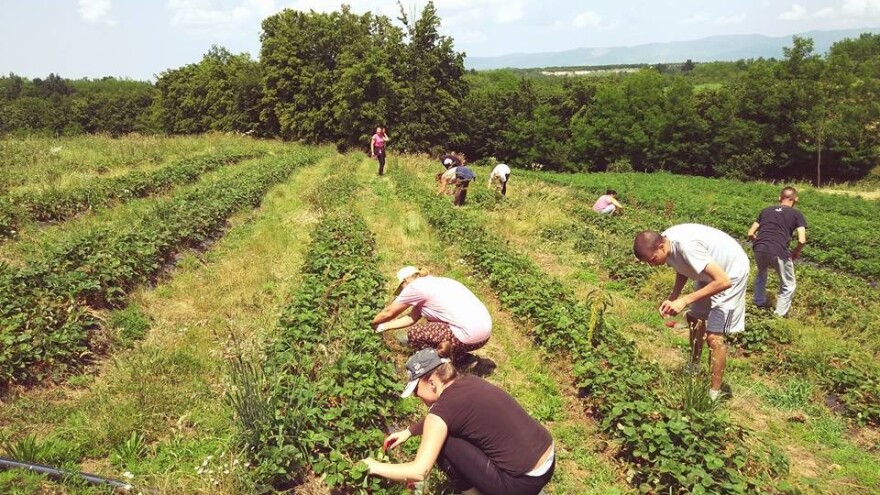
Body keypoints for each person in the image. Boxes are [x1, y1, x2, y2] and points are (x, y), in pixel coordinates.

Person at [362, 347, 555, 495]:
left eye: (415, 390)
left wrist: (373, 466)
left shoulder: (442, 411)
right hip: (546, 461)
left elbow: (419, 472)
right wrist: (409, 431)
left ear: (431, 383)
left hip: (520, 483)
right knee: (445, 434)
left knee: (443, 444)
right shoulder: (469, 381)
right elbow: (449, 417)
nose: (416, 397)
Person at [633, 224, 749, 401]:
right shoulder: (666, 243)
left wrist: (685, 300)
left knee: (714, 337)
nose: (651, 264)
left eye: (652, 259)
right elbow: (682, 267)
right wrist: (674, 297)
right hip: (707, 272)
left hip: (729, 273)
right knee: (695, 318)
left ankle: (713, 394)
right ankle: (694, 364)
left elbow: (723, 281)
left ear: (661, 247)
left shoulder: (688, 246)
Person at [373, 267, 491, 365]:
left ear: (405, 281)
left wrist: (372, 323)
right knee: (433, 326)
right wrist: (384, 326)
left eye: (401, 288)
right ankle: (462, 357)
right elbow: (411, 318)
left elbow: (388, 312)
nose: (403, 291)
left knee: (415, 333)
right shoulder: (437, 282)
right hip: (483, 336)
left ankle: (445, 361)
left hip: (467, 336)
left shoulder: (415, 287)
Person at [747, 186, 807, 317]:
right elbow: (802, 240)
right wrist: (796, 252)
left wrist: (760, 242)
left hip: (759, 248)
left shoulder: (765, 211)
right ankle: (778, 315)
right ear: (796, 199)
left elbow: (750, 233)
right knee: (788, 284)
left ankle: (759, 303)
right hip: (779, 250)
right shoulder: (797, 214)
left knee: (761, 273)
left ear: (779, 198)